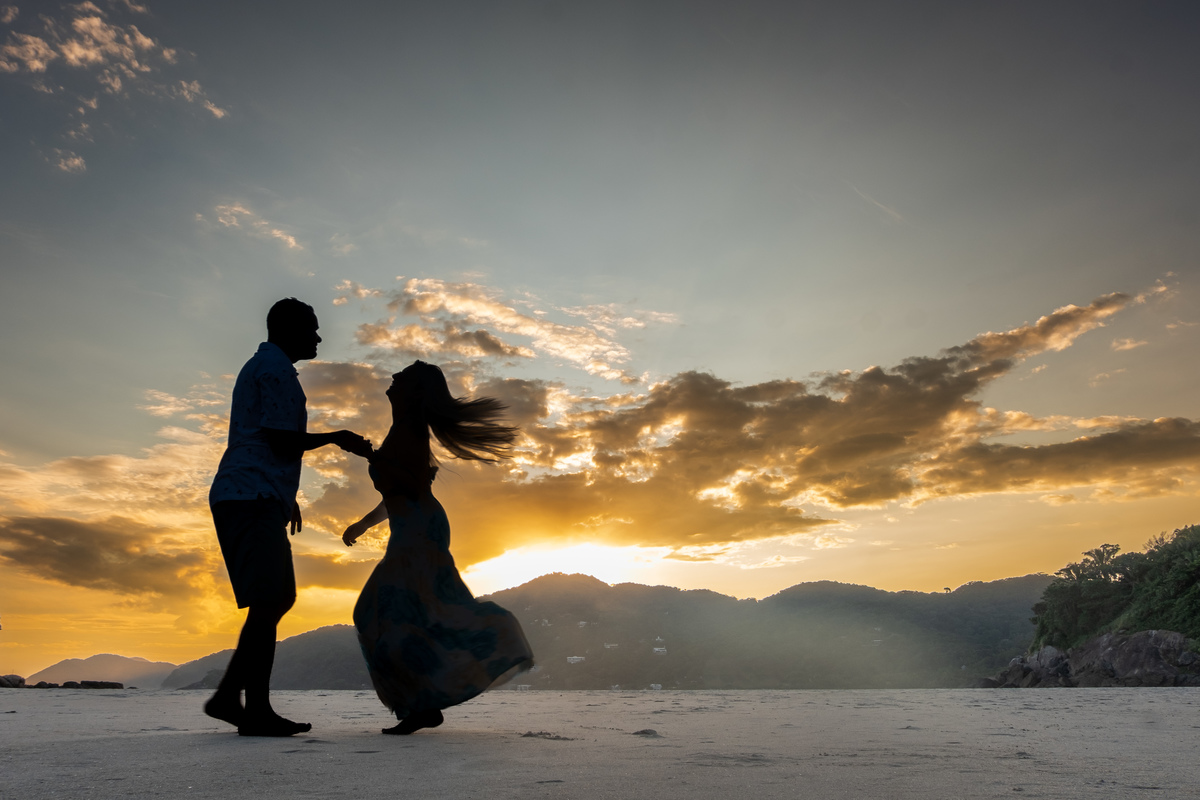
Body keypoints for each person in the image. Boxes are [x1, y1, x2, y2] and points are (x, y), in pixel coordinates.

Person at [206, 298, 373, 737]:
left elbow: (263, 437)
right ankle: (251, 707)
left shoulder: (266, 367)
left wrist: (285, 494)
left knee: (276, 599)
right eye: (312, 329)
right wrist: (337, 438)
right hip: (250, 494)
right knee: (270, 600)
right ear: (289, 330)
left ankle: (230, 697)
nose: (319, 337)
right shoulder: (276, 371)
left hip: (256, 493)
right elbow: (280, 440)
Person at [342, 361, 534, 734]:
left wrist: (371, 458)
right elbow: (397, 493)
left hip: (420, 530)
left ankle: (494, 635)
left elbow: (409, 487)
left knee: (387, 612)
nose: (394, 375)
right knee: (391, 614)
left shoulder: (411, 430)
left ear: (413, 390)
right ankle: (422, 706)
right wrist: (365, 523)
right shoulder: (401, 429)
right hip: (411, 527)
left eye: (404, 375)